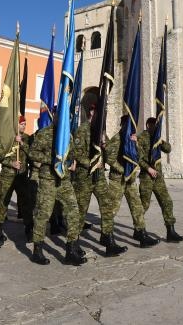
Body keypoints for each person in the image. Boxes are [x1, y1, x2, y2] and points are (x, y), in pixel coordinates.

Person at [28, 123, 86, 266]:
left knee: (73, 211)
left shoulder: (67, 134)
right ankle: (37, 250)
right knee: (43, 214)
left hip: (64, 180)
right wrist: (52, 159)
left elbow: (72, 153)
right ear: (55, 115)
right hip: (48, 179)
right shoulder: (44, 133)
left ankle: (71, 249)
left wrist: (73, 159)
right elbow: (32, 153)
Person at [73, 105, 127, 257]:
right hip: (85, 177)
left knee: (107, 205)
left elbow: (109, 152)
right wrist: (91, 163)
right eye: (97, 112)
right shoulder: (82, 130)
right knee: (81, 211)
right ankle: (74, 243)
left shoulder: (101, 131)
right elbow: (77, 153)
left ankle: (108, 240)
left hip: (100, 176)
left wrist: (105, 144)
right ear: (91, 113)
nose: (100, 115)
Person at [105, 117, 159, 248]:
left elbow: (139, 157)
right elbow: (109, 159)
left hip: (131, 180)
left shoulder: (131, 139)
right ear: (123, 125)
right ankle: (107, 236)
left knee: (137, 207)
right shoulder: (116, 139)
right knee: (112, 209)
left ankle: (141, 233)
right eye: (128, 125)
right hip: (118, 180)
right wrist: (122, 170)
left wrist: (136, 144)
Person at [138, 118, 183, 243]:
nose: (153, 127)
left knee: (167, 202)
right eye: (152, 125)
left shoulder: (157, 138)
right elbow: (139, 158)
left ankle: (171, 232)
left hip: (158, 178)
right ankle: (139, 230)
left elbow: (168, 149)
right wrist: (148, 169)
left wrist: (160, 141)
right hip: (146, 177)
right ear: (148, 125)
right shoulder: (141, 137)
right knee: (144, 205)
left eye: (155, 125)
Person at [0, 116, 34, 239]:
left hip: (22, 176)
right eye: (21, 124)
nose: (23, 126)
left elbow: (32, 154)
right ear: (16, 125)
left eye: (25, 124)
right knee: (3, 202)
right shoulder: (7, 138)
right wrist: (11, 163)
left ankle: (29, 229)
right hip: (7, 175)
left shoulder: (27, 138)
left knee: (26, 203)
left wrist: (22, 143)